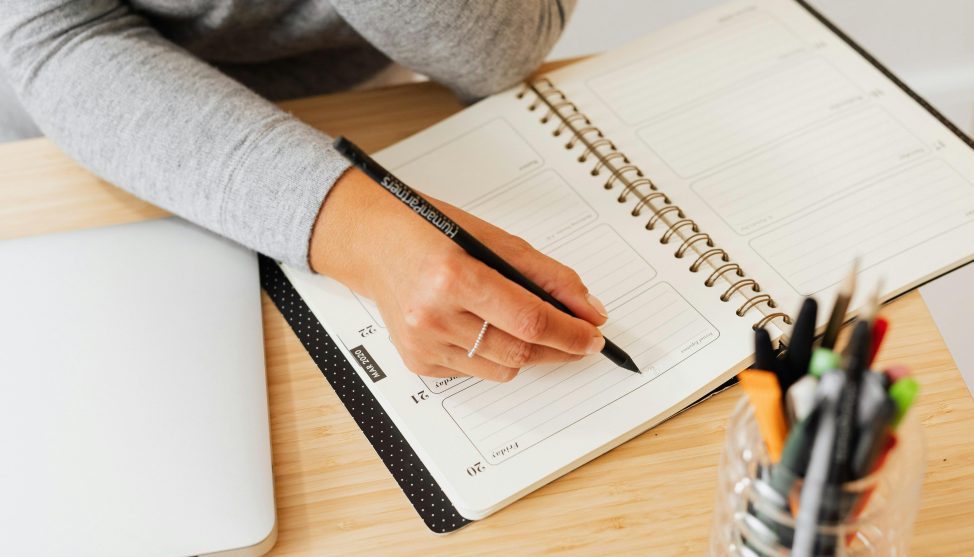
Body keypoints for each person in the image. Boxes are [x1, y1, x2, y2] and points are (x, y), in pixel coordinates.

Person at [0, 1, 608, 382]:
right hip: (103, 140)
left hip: (368, 102)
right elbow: (55, 36)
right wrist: (358, 231)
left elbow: (493, 50)